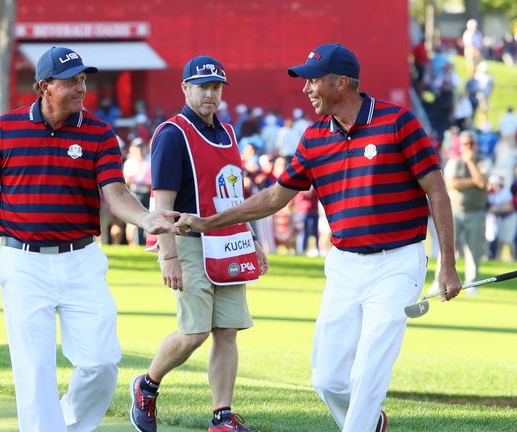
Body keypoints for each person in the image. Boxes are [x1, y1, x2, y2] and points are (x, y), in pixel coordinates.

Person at [175, 43, 462, 432]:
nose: (306, 89)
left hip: (398, 262)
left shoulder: (398, 122)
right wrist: (211, 222)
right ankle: (370, 424)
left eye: (313, 80)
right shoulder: (313, 138)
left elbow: (438, 192)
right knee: (326, 380)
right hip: (343, 264)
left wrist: (448, 263)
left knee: (369, 369)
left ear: (341, 83)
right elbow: (275, 197)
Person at [0, 46, 178, 432]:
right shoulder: (7, 128)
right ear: (44, 86)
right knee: (34, 368)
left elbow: (115, 192)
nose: (81, 87)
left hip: (81, 259)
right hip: (23, 262)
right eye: (71, 80)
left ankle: (67, 422)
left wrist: (145, 217)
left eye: (83, 79)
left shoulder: (99, 132)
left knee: (102, 361)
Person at [129, 55, 268, 432]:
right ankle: (147, 385)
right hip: (188, 242)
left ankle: (222, 417)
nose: (210, 94)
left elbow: (234, 197)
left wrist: (252, 240)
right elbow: (162, 205)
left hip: (229, 241)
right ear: (185, 89)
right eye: (202, 86)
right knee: (195, 332)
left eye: (216, 87)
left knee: (227, 331)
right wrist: (168, 256)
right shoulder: (173, 134)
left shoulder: (228, 132)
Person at [441, 131, 490, 292]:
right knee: (447, 248)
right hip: (455, 211)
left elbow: (482, 183)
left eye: (471, 143)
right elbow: (452, 183)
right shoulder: (454, 162)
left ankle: (472, 282)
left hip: (475, 212)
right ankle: (441, 280)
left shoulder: (483, 161)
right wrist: (473, 181)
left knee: (474, 250)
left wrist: (471, 163)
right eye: (465, 143)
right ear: (460, 146)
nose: (469, 146)